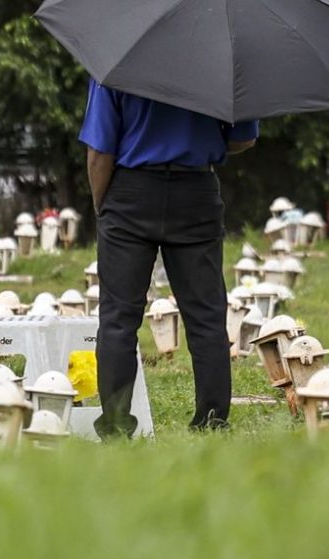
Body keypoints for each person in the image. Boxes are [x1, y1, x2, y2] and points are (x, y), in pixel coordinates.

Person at [80, 80, 259, 437]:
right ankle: (211, 423)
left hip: (130, 192)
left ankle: (115, 428)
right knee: (206, 315)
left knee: (118, 318)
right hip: (196, 191)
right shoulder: (221, 61)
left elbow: (100, 151)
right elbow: (243, 138)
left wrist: (104, 207)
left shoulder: (116, 59)